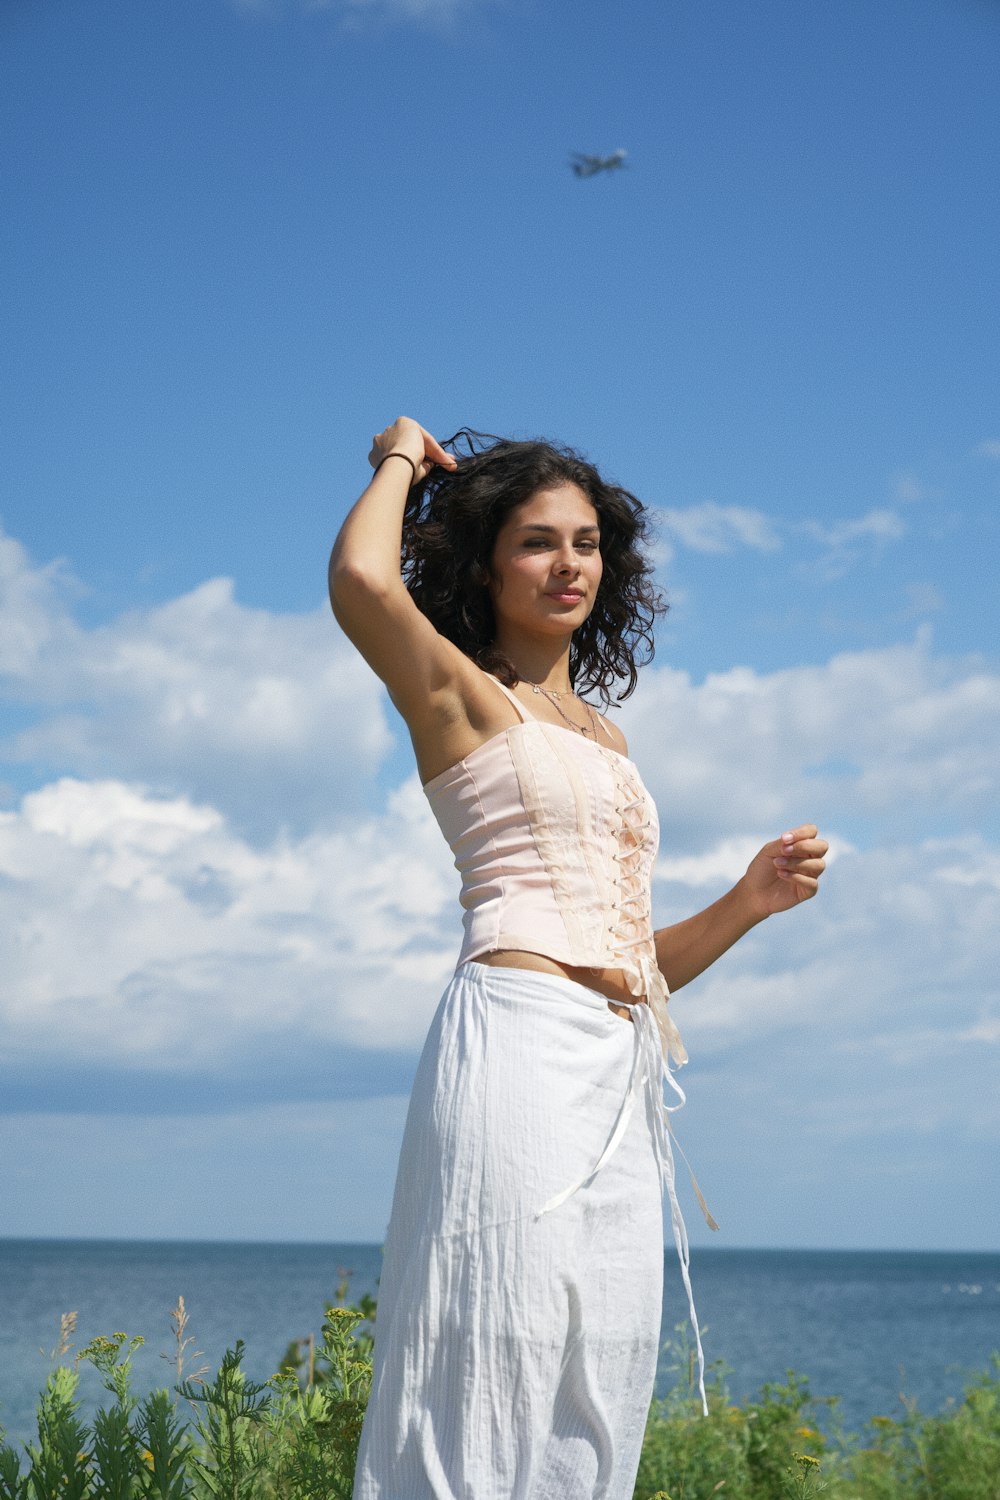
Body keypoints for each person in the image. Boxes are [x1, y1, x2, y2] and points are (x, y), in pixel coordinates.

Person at [329, 416, 828, 1500]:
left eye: (588, 542)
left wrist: (748, 902)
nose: (569, 564)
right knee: (489, 1343)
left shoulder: (604, 735)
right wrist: (400, 457)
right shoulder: (464, 694)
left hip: (617, 1067)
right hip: (511, 1045)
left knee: (595, 1363)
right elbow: (365, 582)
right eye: (537, 541)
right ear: (485, 560)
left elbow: (627, 965)